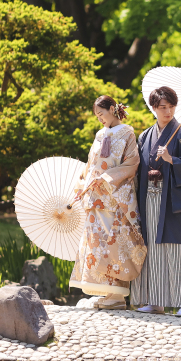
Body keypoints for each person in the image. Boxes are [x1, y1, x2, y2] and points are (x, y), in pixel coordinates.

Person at [68, 95, 147, 310]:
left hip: (114, 198)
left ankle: (118, 295)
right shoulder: (99, 135)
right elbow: (90, 165)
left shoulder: (127, 133)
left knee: (114, 244)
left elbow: (132, 163)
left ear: (112, 109)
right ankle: (106, 293)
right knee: (96, 244)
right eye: (97, 116)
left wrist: (106, 178)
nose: (99, 119)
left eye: (101, 114)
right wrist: (81, 185)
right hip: (95, 198)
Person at [132, 85, 181, 316]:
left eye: (172, 106)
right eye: (163, 107)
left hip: (172, 199)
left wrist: (171, 159)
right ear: (153, 108)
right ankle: (155, 301)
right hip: (149, 198)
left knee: (176, 248)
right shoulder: (145, 136)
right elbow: (137, 169)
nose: (168, 111)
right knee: (152, 247)